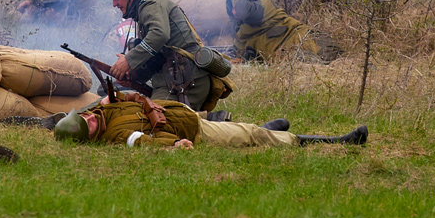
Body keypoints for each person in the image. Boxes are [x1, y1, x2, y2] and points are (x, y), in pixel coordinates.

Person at [53, 91, 367, 149]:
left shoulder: (100, 109)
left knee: (246, 131)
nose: (92, 120)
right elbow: (145, 142)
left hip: (188, 116)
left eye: (87, 118)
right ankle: (332, 141)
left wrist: (145, 104)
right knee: (257, 137)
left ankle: (266, 126)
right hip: (196, 132)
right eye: (88, 127)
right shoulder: (117, 136)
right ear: (90, 136)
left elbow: (128, 95)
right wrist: (175, 147)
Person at [107, 0, 227, 111]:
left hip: (184, 82)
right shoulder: (146, 11)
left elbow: (160, 34)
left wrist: (128, 60)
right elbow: (157, 57)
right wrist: (133, 76)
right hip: (176, 80)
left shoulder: (151, 4)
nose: (114, 4)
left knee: (156, 121)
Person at [225, 0, 339, 63]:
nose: (235, 12)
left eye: (234, 7)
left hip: (313, 43)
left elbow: (242, 10)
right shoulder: (244, 29)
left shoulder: (262, 6)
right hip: (293, 54)